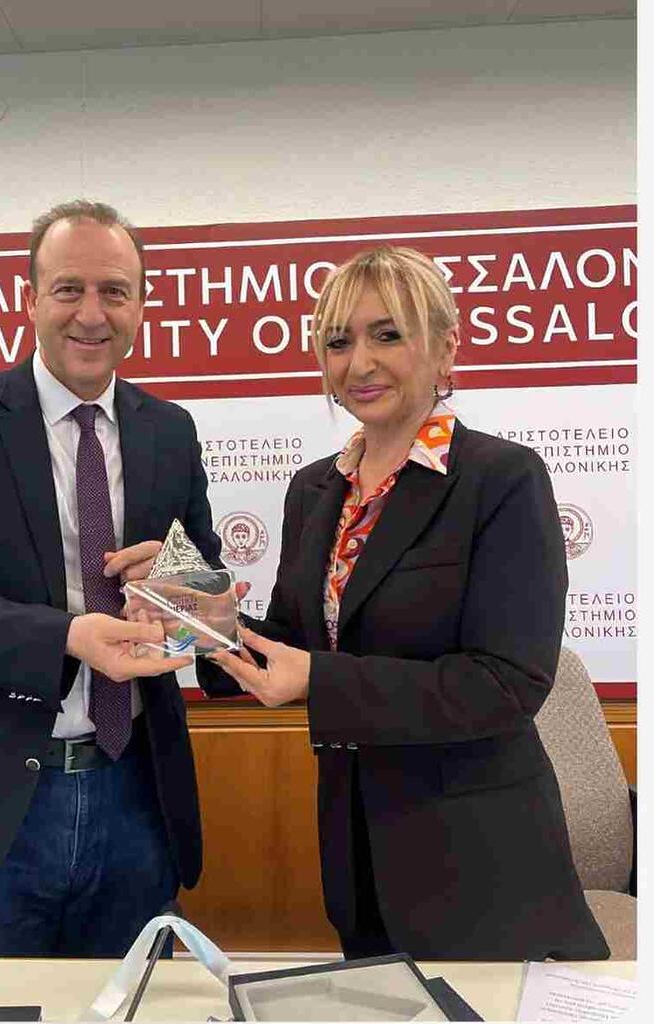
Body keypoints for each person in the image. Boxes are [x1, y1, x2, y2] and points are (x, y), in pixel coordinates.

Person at [204, 245, 610, 962]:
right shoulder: (314, 490)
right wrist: (201, 618)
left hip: (480, 867)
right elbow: (295, 645)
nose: (359, 362)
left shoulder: (501, 479)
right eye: (338, 342)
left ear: (444, 348)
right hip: (355, 855)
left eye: (387, 335)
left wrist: (318, 679)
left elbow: (505, 685)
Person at [0, 199, 222, 957]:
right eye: (68, 289)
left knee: (126, 1007)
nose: (91, 314)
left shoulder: (170, 431)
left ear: (140, 306)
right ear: (30, 299)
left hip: (135, 798)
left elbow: (201, 601)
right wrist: (65, 637)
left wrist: (184, 585)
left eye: (114, 291)